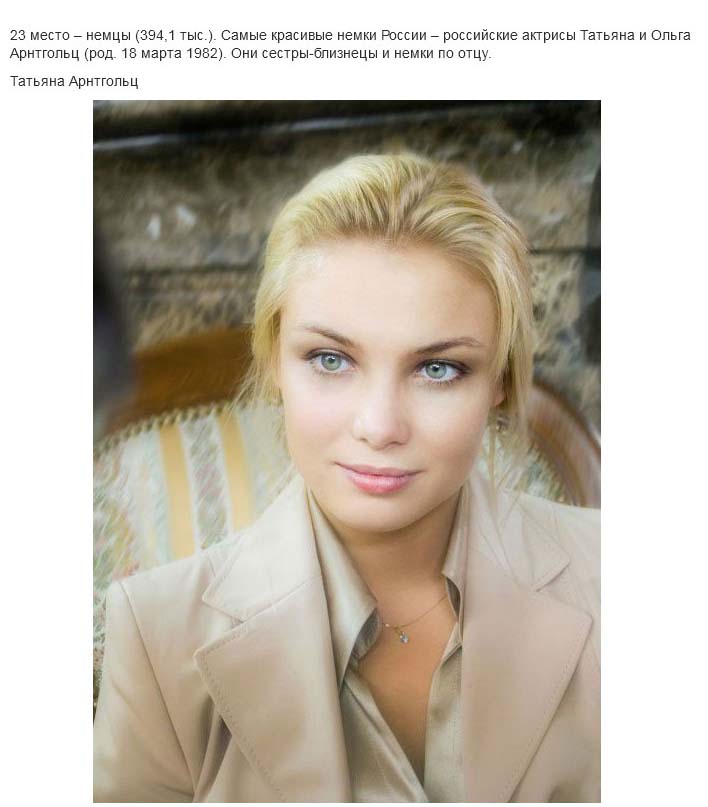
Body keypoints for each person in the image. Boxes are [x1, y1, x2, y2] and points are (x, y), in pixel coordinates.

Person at [93, 153, 600, 802]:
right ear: (274, 361)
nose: (379, 426)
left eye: (438, 369)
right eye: (330, 359)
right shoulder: (157, 632)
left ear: (499, 380)